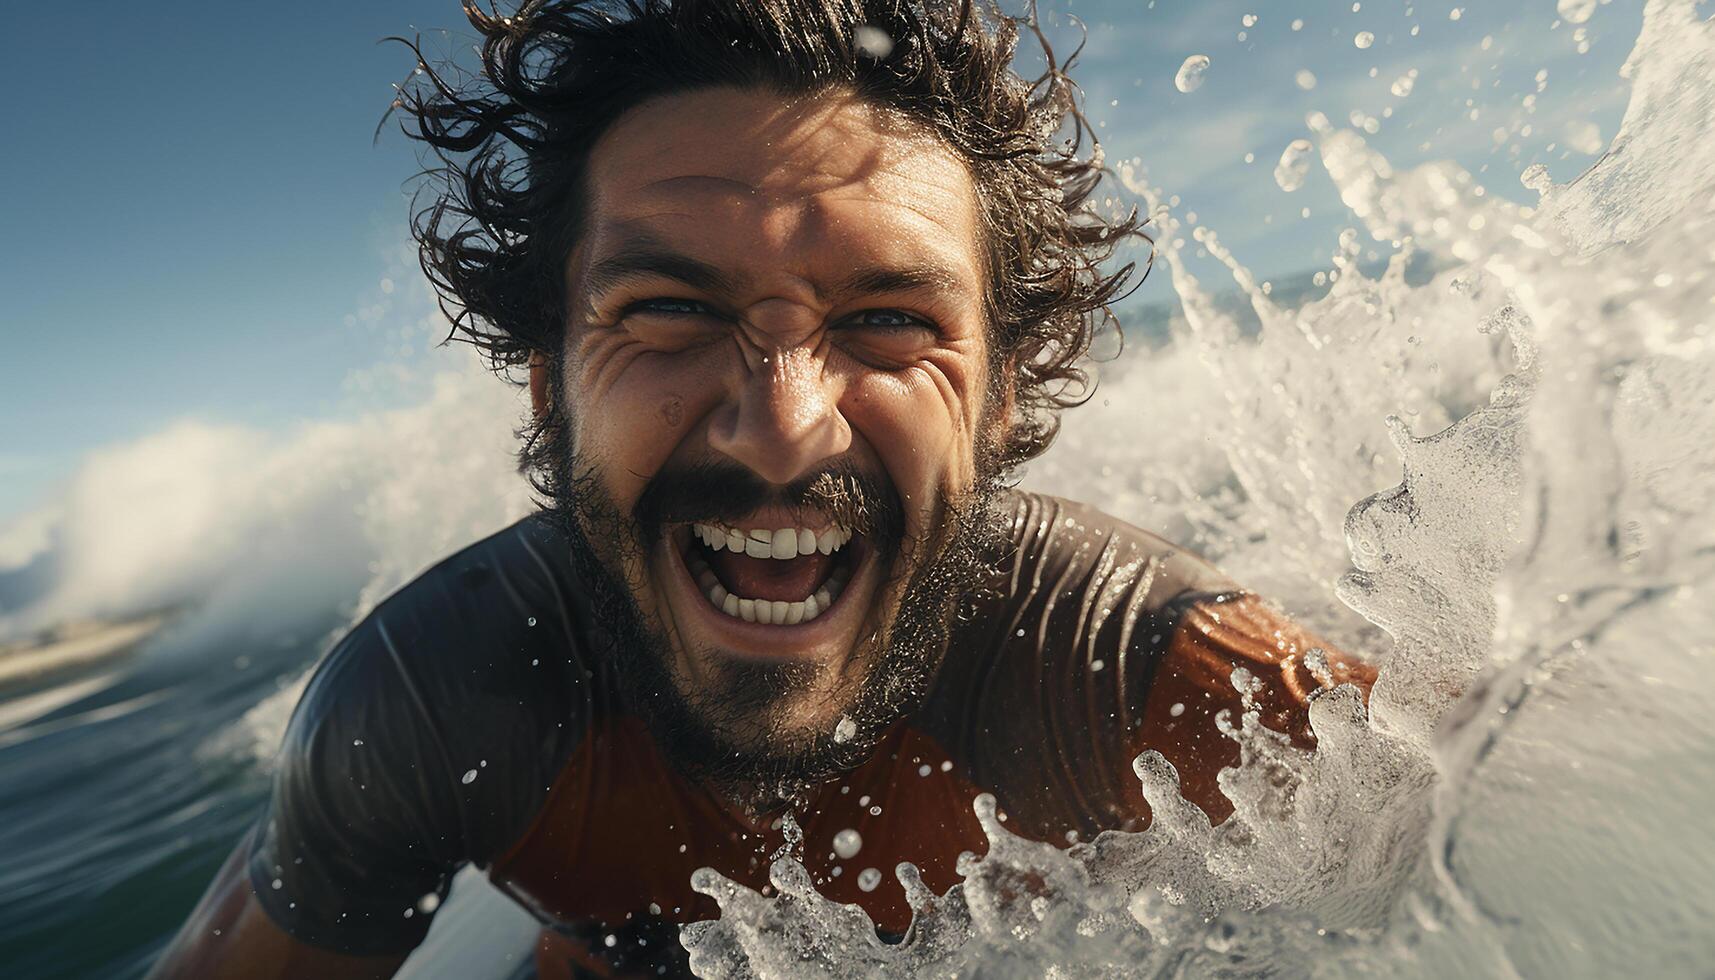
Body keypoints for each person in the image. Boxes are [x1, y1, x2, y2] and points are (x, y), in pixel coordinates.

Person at [150, 0, 1374, 976]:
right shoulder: (427, 714)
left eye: (890, 319)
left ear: (1000, 397)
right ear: (548, 387)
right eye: (670, 311)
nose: (782, 432)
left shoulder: (1155, 676)